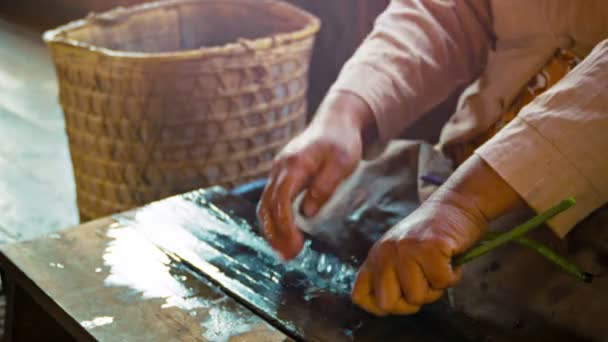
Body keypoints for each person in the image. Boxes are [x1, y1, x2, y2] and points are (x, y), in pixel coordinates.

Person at [257, 0, 608, 316]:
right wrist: (346, 111)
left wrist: (463, 205)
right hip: (453, 170)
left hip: (586, 230)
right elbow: (452, 9)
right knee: (316, 236)